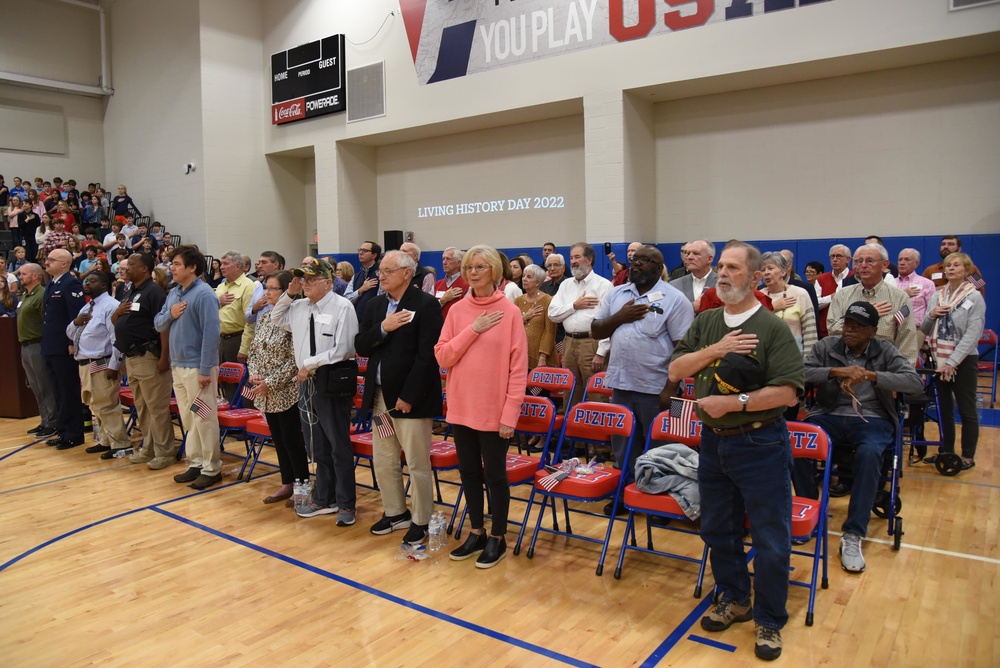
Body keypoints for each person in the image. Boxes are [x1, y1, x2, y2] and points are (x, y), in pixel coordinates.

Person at [669, 240, 804, 662]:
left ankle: (769, 617)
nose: (724, 274)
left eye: (733, 267)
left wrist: (732, 403)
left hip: (760, 442)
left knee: (770, 538)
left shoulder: (772, 329)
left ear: (754, 275)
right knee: (717, 530)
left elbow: (787, 394)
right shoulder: (708, 322)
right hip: (713, 443)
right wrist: (717, 349)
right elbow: (675, 370)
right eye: (721, 267)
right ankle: (734, 597)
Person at [802, 301, 922, 573]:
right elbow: (799, 372)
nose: (849, 331)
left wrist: (872, 376)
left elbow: (914, 383)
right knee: (800, 441)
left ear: (873, 331)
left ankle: (853, 533)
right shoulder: (827, 347)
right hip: (830, 414)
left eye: (857, 327)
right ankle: (811, 511)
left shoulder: (886, 350)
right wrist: (835, 371)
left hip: (872, 418)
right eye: (847, 325)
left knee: (869, 453)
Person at [435, 244, 528, 569]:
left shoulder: (511, 312)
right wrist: (473, 330)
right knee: (470, 473)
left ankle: (498, 538)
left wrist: (510, 415)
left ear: (495, 272)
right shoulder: (458, 311)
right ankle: (476, 531)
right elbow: (443, 355)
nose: (473, 273)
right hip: (462, 408)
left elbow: (518, 370)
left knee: (496, 477)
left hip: (495, 412)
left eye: (480, 267)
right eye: (469, 268)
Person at [591, 245, 694, 515]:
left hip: (662, 389)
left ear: (659, 268)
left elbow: (684, 349)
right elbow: (595, 329)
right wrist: (619, 317)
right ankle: (627, 496)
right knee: (623, 446)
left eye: (645, 261)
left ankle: (663, 504)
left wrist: (671, 388)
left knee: (666, 447)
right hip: (621, 384)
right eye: (635, 260)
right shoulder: (616, 294)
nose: (636, 264)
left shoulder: (676, 299)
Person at [356, 250, 444, 545]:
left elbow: (427, 357)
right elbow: (362, 345)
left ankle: (421, 518)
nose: (381, 276)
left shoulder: (426, 304)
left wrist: (408, 396)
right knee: (384, 458)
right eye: (380, 271)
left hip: (410, 400)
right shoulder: (376, 304)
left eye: (387, 271)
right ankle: (395, 512)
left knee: (417, 462)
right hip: (381, 398)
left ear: (407, 273)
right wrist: (384, 327)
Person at [270, 258, 359, 525]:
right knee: (316, 443)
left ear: (328, 282)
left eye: (311, 280)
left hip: (330, 380)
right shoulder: (298, 306)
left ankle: (346, 503)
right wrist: (289, 292)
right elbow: (276, 318)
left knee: (337, 444)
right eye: (303, 280)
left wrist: (309, 364)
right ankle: (324, 497)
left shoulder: (343, 306)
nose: (305, 284)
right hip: (306, 381)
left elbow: (343, 348)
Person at [154, 246, 223, 490]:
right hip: (178, 365)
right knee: (187, 418)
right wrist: (171, 314)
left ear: (192, 268)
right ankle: (195, 462)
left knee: (203, 418)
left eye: (176, 264)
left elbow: (212, 335)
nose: (171, 268)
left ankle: (212, 467)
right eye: (171, 263)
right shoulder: (173, 293)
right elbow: (159, 323)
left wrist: (206, 369)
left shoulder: (204, 294)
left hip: (198, 368)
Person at [245, 270, 311, 504]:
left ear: (287, 292)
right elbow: (254, 351)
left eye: (273, 288)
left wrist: (270, 382)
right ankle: (286, 482)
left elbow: (295, 360)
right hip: (265, 392)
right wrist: (254, 374)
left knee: (292, 440)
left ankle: (301, 484)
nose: (267, 292)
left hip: (286, 391)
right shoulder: (265, 316)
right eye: (266, 288)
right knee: (279, 440)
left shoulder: (294, 318)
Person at [920, 252, 986, 471]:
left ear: (966, 271)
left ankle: (967, 455)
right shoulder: (937, 296)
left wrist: (953, 362)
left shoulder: (973, 297)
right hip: (940, 358)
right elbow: (926, 330)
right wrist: (932, 314)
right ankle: (946, 451)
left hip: (964, 360)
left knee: (966, 409)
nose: (950, 268)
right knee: (943, 409)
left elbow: (972, 335)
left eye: (956, 265)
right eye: (948, 265)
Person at [112, 253, 175, 470]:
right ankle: (148, 448)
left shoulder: (154, 292)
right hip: (132, 357)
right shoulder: (130, 291)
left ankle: (165, 452)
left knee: (156, 408)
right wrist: (117, 313)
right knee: (142, 408)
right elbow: (117, 321)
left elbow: (164, 326)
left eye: (131, 265)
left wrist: (164, 357)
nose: (126, 268)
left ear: (145, 269)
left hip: (149, 356)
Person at [66, 272, 132, 458]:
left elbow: (116, 339)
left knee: (107, 404)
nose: (87, 283)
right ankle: (105, 440)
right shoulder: (87, 307)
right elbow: (71, 333)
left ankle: (120, 444)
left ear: (104, 285)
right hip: (85, 362)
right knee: (95, 405)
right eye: (86, 281)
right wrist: (75, 323)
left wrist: (114, 365)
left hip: (102, 362)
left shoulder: (111, 306)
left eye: (92, 281)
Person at [828, 244, 917, 366]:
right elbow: (832, 330)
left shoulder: (899, 297)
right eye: (859, 261)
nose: (863, 265)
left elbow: (907, 340)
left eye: (870, 261)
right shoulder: (842, 295)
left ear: (884, 265)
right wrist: (864, 315)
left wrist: (902, 374)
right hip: (846, 364)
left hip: (884, 367)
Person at [547, 243, 612, 408]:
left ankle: (597, 433)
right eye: (571, 258)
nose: (573, 261)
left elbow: (609, 322)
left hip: (592, 343)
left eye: (577, 257)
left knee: (596, 394)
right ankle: (570, 432)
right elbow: (553, 314)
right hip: (569, 343)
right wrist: (575, 305)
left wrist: (601, 352)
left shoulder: (604, 285)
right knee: (570, 393)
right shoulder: (566, 285)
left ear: (589, 260)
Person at [41, 249, 87, 449]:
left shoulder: (71, 283)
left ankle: (74, 433)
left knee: (68, 390)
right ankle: (63, 429)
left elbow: (76, 316)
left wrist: (71, 342)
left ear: (64, 264)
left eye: (51, 260)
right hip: (51, 344)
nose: (46, 263)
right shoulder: (52, 283)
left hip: (63, 346)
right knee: (58, 390)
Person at [15, 264, 58, 438]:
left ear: (35, 276)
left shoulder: (41, 294)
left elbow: (46, 322)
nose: (20, 277)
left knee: (45, 385)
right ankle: (45, 420)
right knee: (35, 386)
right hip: (25, 345)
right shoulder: (25, 295)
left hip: (37, 344)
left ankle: (54, 422)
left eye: (23, 274)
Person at [760, 252, 817, 359]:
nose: (766, 273)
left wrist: (809, 363)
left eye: (770, 268)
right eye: (763, 270)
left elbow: (810, 333)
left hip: (793, 360)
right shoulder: (758, 296)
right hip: (764, 361)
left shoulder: (800, 294)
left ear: (783, 272)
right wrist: (773, 307)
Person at [215, 250, 255, 394]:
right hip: (221, 340)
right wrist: (217, 302)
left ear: (238, 266)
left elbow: (251, 321)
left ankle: (243, 414)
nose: (221, 267)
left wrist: (244, 348)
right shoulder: (221, 287)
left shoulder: (248, 286)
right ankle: (229, 410)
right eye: (221, 264)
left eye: (226, 264)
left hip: (237, 339)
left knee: (241, 386)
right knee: (225, 384)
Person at [514, 264, 556, 371]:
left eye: (529, 277)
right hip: (520, 354)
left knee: (538, 386)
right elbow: (511, 326)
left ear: (537, 282)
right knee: (523, 387)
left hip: (540, 356)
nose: (524, 279)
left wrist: (543, 356)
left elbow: (549, 331)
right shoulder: (518, 300)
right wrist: (525, 316)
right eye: (524, 276)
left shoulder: (547, 300)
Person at [895, 248, 937, 351]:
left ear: (916, 263)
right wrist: (904, 294)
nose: (902, 263)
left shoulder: (926, 283)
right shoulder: (891, 283)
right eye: (900, 260)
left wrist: (927, 339)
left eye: (907, 260)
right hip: (894, 330)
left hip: (917, 331)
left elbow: (932, 312)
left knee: (911, 365)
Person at [815, 244, 852, 338]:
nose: (835, 259)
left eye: (839, 256)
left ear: (848, 259)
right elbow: (816, 303)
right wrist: (832, 297)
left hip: (848, 331)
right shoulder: (822, 279)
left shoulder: (854, 278)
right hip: (824, 331)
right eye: (832, 256)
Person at [669, 240, 717, 306]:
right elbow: (670, 311)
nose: (689, 257)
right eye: (688, 253)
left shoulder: (722, 284)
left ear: (709, 259)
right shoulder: (674, 285)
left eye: (696, 253)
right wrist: (693, 306)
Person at [345, 240, 382, 318]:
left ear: (374, 255)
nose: (360, 253)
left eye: (365, 250)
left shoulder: (382, 274)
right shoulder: (356, 276)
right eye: (360, 250)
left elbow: (382, 299)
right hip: (357, 319)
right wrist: (360, 290)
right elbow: (346, 299)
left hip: (374, 319)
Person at [434, 246, 468, 319]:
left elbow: (466, 309)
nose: (444, 262)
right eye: (443, 259)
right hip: (437, 327)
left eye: (448, 259)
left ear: (458, 263)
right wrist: (442, 300)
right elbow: (428, 308)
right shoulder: (436, 285)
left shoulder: (467, 285)